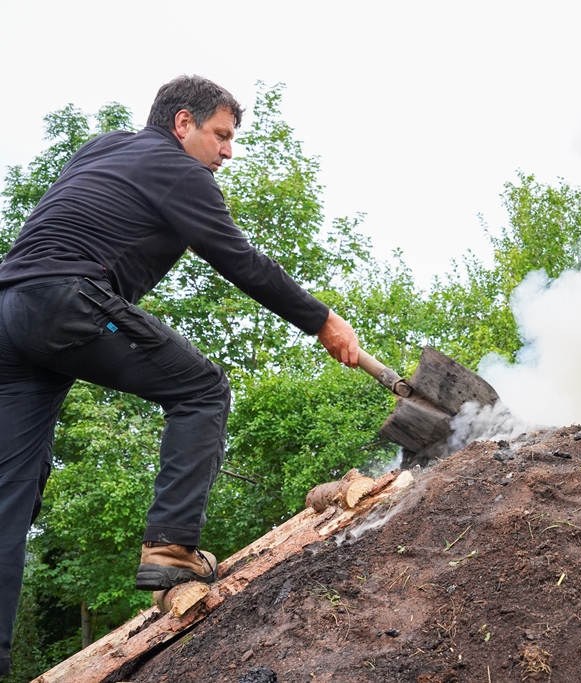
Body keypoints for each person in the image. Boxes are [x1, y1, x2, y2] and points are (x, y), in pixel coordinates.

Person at [0, 75, 360, 677]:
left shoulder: (102, 148)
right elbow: (238, 259)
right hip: (68, 302)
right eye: (220, 136)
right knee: (201, 389)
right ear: (182, 123)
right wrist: (322, 321)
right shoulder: (178, 170)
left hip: (10, 314)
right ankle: (171, 551)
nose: (227, 152)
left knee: (8, 501)